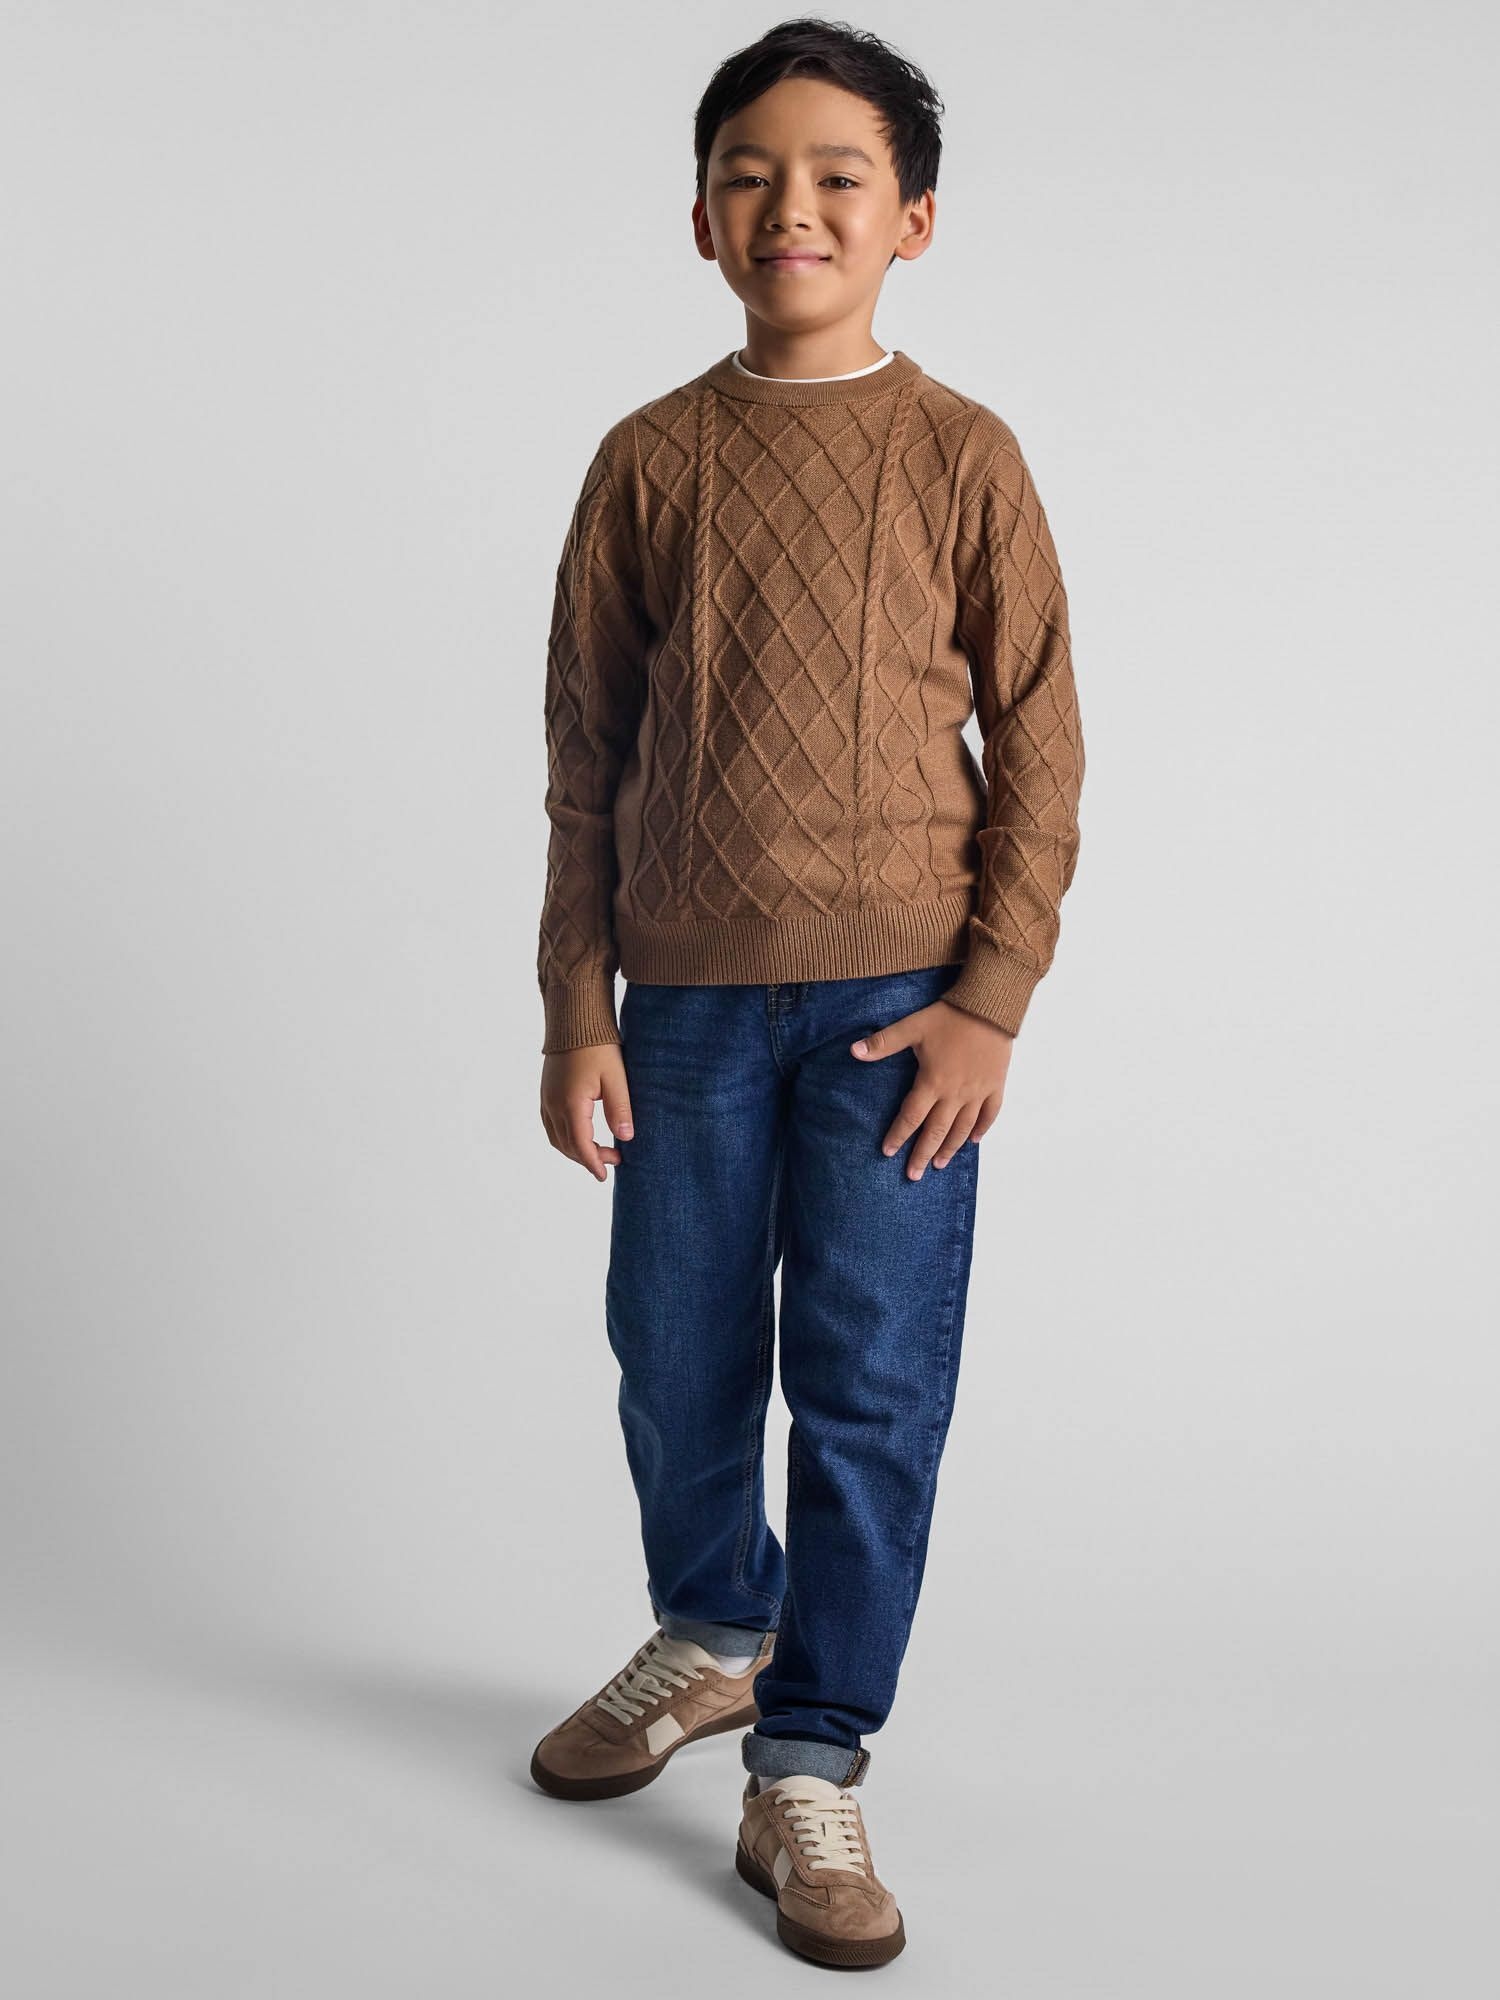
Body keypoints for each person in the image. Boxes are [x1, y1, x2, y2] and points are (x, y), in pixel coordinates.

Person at [529, 17, 1085, 1971]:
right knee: (675, 1350)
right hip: (681, 1004)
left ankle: (811, 1752)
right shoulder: (648, 460)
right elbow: (586, 751)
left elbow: (1041, 741)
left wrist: (991, 998)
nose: (795, 205)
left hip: (896, 1015)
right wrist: (575, 1001)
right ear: (701, 217)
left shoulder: (961, 455)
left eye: (841, 174)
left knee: (867, 1384)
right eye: (750, 174)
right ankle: (711, 1628)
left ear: (911, 218)